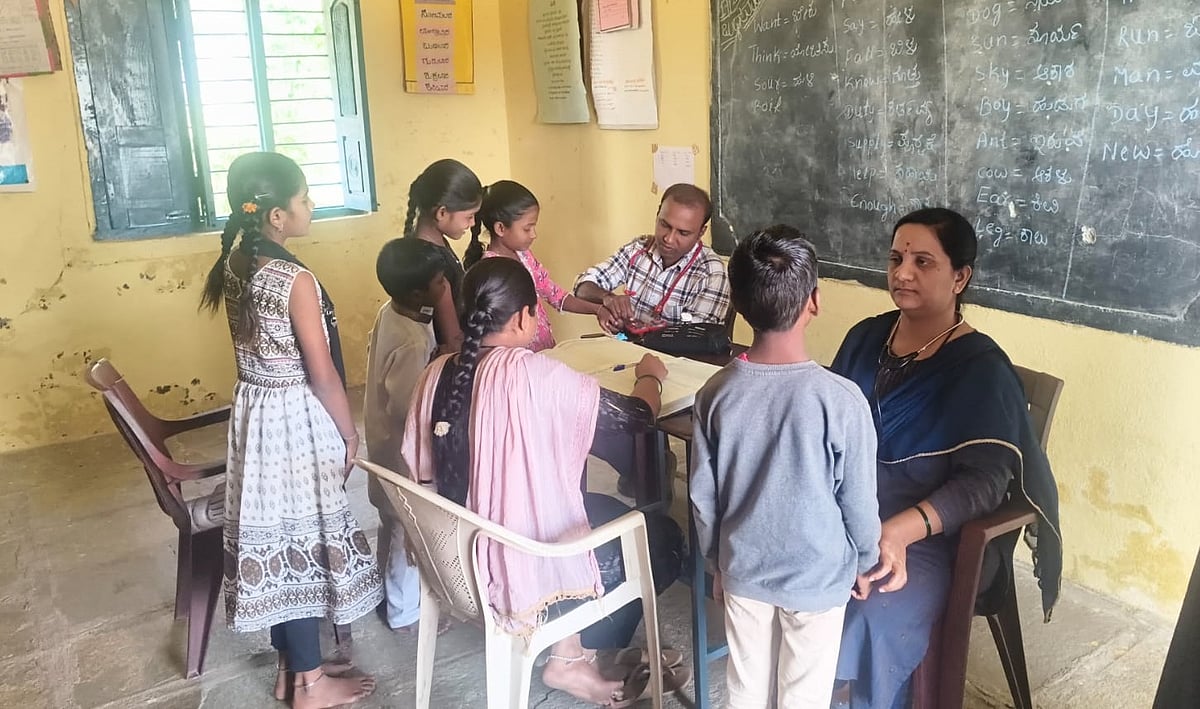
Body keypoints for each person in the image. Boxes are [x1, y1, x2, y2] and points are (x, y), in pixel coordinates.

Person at [401, 258, 688, 707]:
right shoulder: (538, 377)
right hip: (514, 564)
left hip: (451, 558)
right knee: (663, 538)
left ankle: (570, 647)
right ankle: (572, 657)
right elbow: (635, 417)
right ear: (522, 317)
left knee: (597, 507)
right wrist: (650, 375)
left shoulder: (435, 373)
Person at [829, 208, 1062, 709]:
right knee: (786, 577)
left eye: (922, 262)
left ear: (961, 277)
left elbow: (983, 484)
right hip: (852, 517)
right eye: (895, 258)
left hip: (932, 538)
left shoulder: (981, 369)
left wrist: (896, 532)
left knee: (870, 614)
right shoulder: (866, 338)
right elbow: (828, 429)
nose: (902, 273)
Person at [199, 152, 383, 708]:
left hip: (255, 415)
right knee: (301, 542)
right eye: (303, 200)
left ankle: (290, 670)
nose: (309, 208)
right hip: (293, 421)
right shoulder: (293, 279)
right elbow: (323, 374)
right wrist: (349, 433)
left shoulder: (236, 259)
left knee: (277, 540)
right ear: (276, 216)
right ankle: (310, 684)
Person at [690, 225, 880, 709]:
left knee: (746, 689)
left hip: (744, 569)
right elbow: (858, 501)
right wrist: (864, 561)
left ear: (737, 301)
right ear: (813, 301)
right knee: (804, 696)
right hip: (817, 576)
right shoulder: (842, 401)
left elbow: (702, 497)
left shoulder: (715, 393)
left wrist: (717, 562)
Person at [363, 238, 447, 632]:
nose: (446, 285)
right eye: (440, 280)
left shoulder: (391, 312)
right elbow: (406, 407)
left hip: (382, 443)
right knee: (406, 532)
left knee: (391, 522)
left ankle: (390, 596)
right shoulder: (413, 341)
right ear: (418, 293)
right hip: (401, 452)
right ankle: (404, 613)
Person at [463, 180, 612, 351]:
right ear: (500, 228)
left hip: (544, 352)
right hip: (518, 361)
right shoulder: (492, 271)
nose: (534, 235)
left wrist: (598, 309)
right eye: (527, 229)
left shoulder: (524, 255)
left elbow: (554, 294)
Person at [573, 183, 731, 335]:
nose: (668, 239)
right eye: (665, 225)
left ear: (701, 232)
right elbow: (581, 286)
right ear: (657, 215)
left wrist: (636, 329)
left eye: (683, 233)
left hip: (674, 360)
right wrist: (608, 299)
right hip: (627, 351)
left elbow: (697, 339)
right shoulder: (638, 249)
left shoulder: (712, 273)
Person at [403, 158, 484, 353]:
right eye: (469, 216)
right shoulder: (432, 264)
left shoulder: (433, 242)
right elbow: (453, 339)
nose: (473, 223)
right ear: (441, 213)